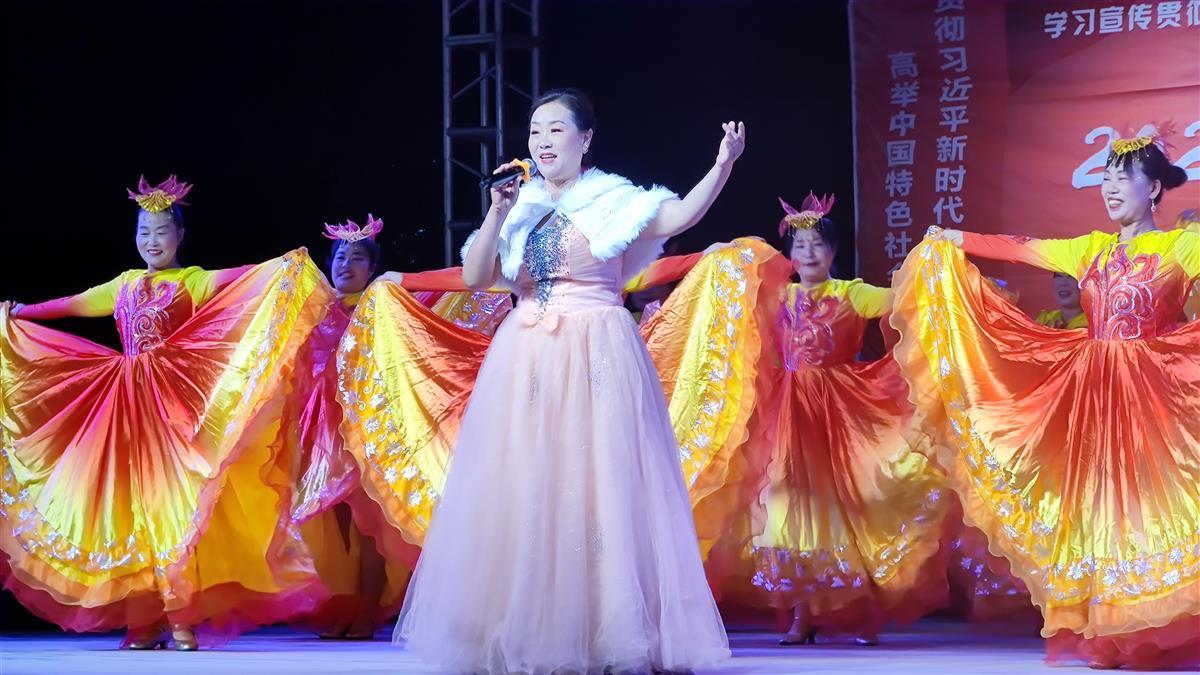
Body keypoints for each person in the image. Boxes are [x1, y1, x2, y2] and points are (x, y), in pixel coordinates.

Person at [386, 87, 743, 673]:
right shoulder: (520, 204)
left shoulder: (613, 199)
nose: (543, 141)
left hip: (597, 345)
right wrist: (498, 210)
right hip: (526, 352)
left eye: (555, 129)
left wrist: (722, 164)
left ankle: (607, 631)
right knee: (527, 479)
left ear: (585, 138)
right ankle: (518, 626)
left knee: (597, 480)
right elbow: (476, 276)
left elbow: (681, 216)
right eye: (535, 131)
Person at [892, 133, 1198, 669]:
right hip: (1094, 398)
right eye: (1106, 178)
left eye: (1123, 178)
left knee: (1155, 504)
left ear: (1153, 188)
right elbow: (1017, 245)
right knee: (1100, 509)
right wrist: (953, 237)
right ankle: (1110, 628)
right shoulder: (1090, 249)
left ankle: (1156, 622)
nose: (1110, 188)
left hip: (1154, 395)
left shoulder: (1182, 247)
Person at [0, 176, 332, 650]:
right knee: (129, 509)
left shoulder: (192, 280)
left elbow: (241, 280)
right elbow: (72, 305)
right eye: (143, 231)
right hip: (122, 411)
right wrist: (21, 312)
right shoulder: (124, 284)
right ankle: (145, 618)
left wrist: (280, 266)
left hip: (174, 409)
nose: (151, 241)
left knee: (173, 509)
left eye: (160, 231)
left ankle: (180, 613)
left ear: (179, 235)